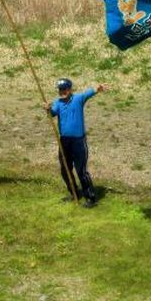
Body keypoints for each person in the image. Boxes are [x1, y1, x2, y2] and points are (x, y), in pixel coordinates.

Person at [46, 78, 106, 207]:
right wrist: (48, 109)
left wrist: (98, 89)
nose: (63, 92)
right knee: (65, 169)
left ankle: (91, 198)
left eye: (65, 89)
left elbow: (89, 93)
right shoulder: (58, 103)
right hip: (64, 141)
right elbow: (52, 113)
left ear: (70, 89)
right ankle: (74, 193)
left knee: (81, 170)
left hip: (78, 141)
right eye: (60, 90)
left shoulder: (78, 99)